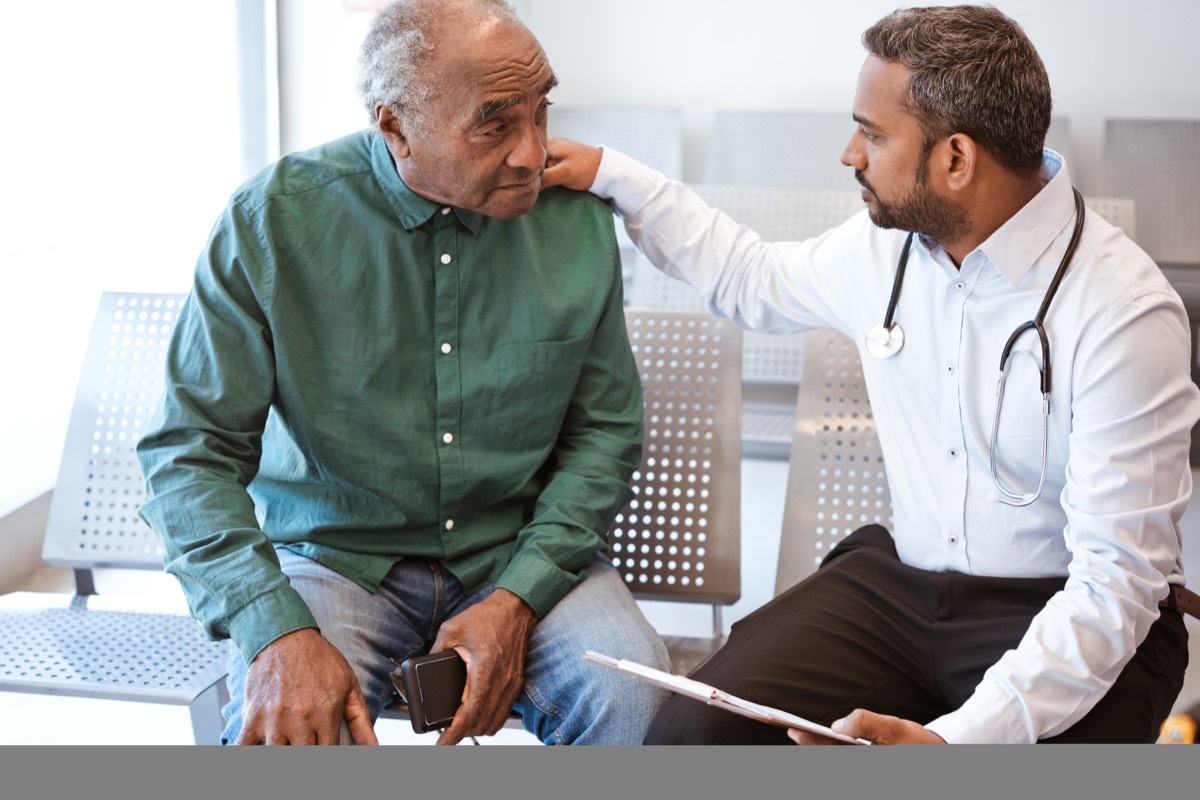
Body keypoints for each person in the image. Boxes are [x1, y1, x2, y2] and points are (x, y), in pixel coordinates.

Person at [543, 4, 1199, 744]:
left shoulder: (1125, 312)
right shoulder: (882, 249)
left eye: (874, 133)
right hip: (901, 592)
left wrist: (955, 742)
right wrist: (611, 173)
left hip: (1068, 609)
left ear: (956, 160)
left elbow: (1116, 582)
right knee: (691, 738)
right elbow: (748, 277)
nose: (850, 153)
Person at [136, 0, 671, 747]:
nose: (532, 150)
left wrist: (520, 594)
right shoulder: (273, 221)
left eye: (540, 110)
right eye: (494, 124)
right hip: (334, 557)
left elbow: (604, 433)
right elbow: (188, 452)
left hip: (516, 551)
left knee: (641, 709)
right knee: (288, 737)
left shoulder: (575, 220)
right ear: (395, 129)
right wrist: (274, 631)